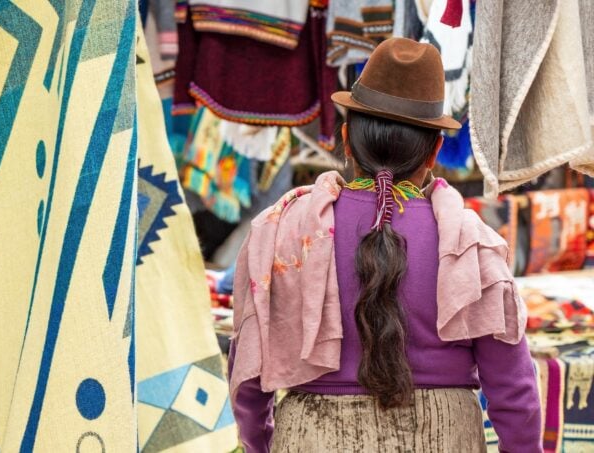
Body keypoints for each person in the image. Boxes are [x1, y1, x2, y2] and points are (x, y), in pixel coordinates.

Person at [228, 38, 542, 452]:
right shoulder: (470, 243)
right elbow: (514, 390)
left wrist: (260, 442)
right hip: (443, 438)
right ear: (435, 151)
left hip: (312, 437)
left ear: (346, 137)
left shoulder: (283, 231)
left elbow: (248, 374)